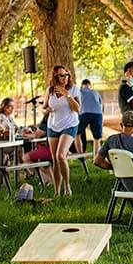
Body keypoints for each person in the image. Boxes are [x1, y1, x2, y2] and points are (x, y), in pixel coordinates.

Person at [42, 65, 81, 196]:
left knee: (60, 155)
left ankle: (67, 186)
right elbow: (44, 107)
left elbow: (77, 109)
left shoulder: (74, 89)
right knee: (55, 159)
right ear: (55, 77)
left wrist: (67, 95)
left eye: (66, 75)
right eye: (61, 75)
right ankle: (57, 192)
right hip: (52, 126)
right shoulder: (50, 90)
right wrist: (45, 110)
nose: (65, 78)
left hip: (69, 125)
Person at [77, 79, 103, 154]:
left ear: (82, 85)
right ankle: (96, 157)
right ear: (90, 85)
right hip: (97, 114)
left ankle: (81, 154)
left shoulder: (79, 91)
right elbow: (101, 105)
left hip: (84, 113)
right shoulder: (95, 92)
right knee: (97, 138)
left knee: (77, 134)